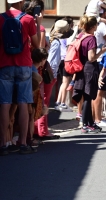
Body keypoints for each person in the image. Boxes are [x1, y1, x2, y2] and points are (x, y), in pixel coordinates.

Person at [0, 0, 42, 155]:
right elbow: (37, 45)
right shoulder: (28, 19)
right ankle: (23, 143)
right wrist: (38, 24)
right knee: (23, 103)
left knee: (5, 103)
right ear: (21, 2)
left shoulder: (1, 18)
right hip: (24, 65)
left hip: (4, 65)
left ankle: (3, 144)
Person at [35, 20, 71, 139]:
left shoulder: (50, 38)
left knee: (41, 101)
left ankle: (38, 129)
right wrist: (53, 76)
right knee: (44, 103)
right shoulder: (56, 42)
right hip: (49, 76)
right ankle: (43, 131)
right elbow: (52, 61)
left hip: (45, 74)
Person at [72, 15, 106, 133]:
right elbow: (91, 57)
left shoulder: (81, 36)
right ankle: (87, 124)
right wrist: (101, 52)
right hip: (89, 70)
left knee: (85, 96)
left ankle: (89, 122)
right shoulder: (91, 38)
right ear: (93, 26)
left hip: (80, 68)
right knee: (88, 97)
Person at [93, 8, 106, 129]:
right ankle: (98, 119)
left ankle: (97, 118)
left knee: (99, 92)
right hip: (101, 60)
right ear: (104, 13)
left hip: (98, 59)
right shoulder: (102, 26)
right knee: (100, 92)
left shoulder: (98, 25)